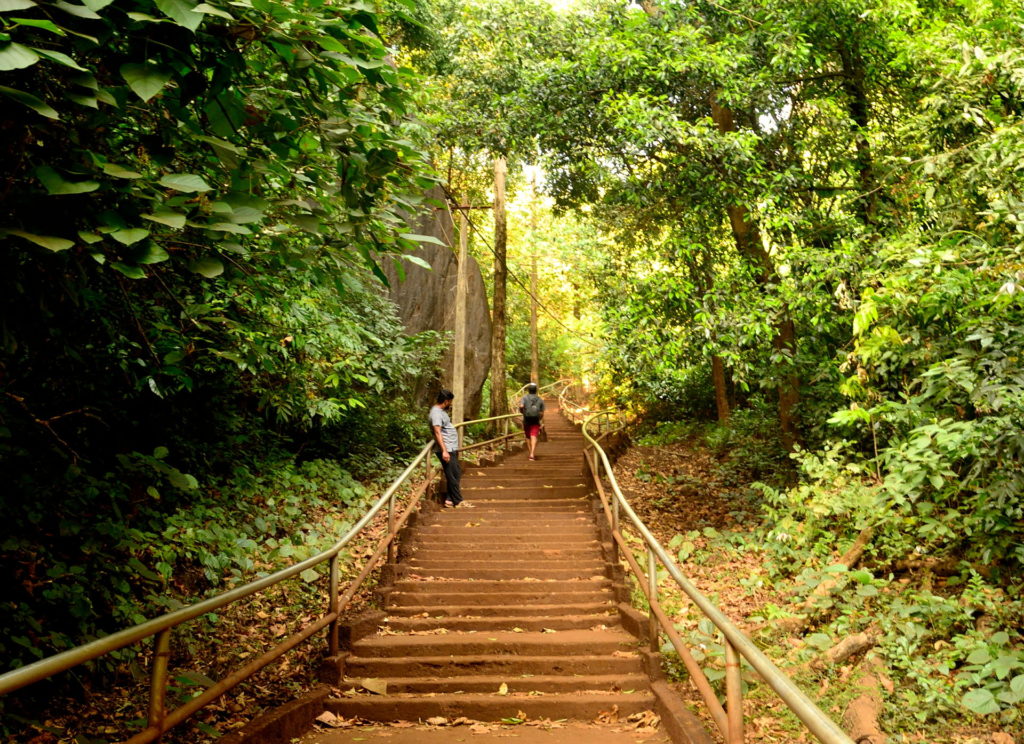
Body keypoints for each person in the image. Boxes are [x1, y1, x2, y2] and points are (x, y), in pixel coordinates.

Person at [429, 389, 462, 507]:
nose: (451, 404)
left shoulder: (441, 411)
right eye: (450, 402)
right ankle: (458, 501)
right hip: (446, 448)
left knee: (456, 472)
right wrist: (444, 451)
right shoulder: (436, 413)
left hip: (450, 447)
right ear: (446, 401)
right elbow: (437, 432)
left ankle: (449, 499)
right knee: (451, 474)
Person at [519, 382, 545, 461]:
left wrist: (522, 412)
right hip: (535, 420)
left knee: (527, 436)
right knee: (534, 435)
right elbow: (541, 412)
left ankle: (530, 452)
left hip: (527, 419)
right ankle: (532, 453)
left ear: (528, 390)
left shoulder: (524, 398)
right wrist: (540, 419)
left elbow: (521, 406)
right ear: (536, 391)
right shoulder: (540, 399)